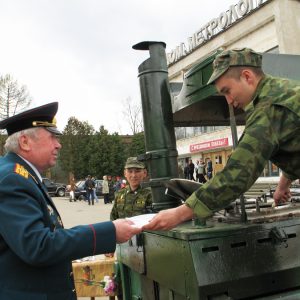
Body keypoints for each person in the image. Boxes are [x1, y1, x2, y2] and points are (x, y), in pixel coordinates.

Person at [143, 47, 300, 231]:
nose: (228, 100)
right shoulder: (285, 89)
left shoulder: (268, 109)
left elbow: (237, 174)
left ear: (247, 77)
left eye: (227, 90)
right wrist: (283, 185)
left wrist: (179, 213)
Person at [0, 102, 141, 300]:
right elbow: (38, 246)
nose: (59, 144)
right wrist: (110, 231)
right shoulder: (11, 179)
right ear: (25, 142)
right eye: (52, 137)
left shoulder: (21, 175)